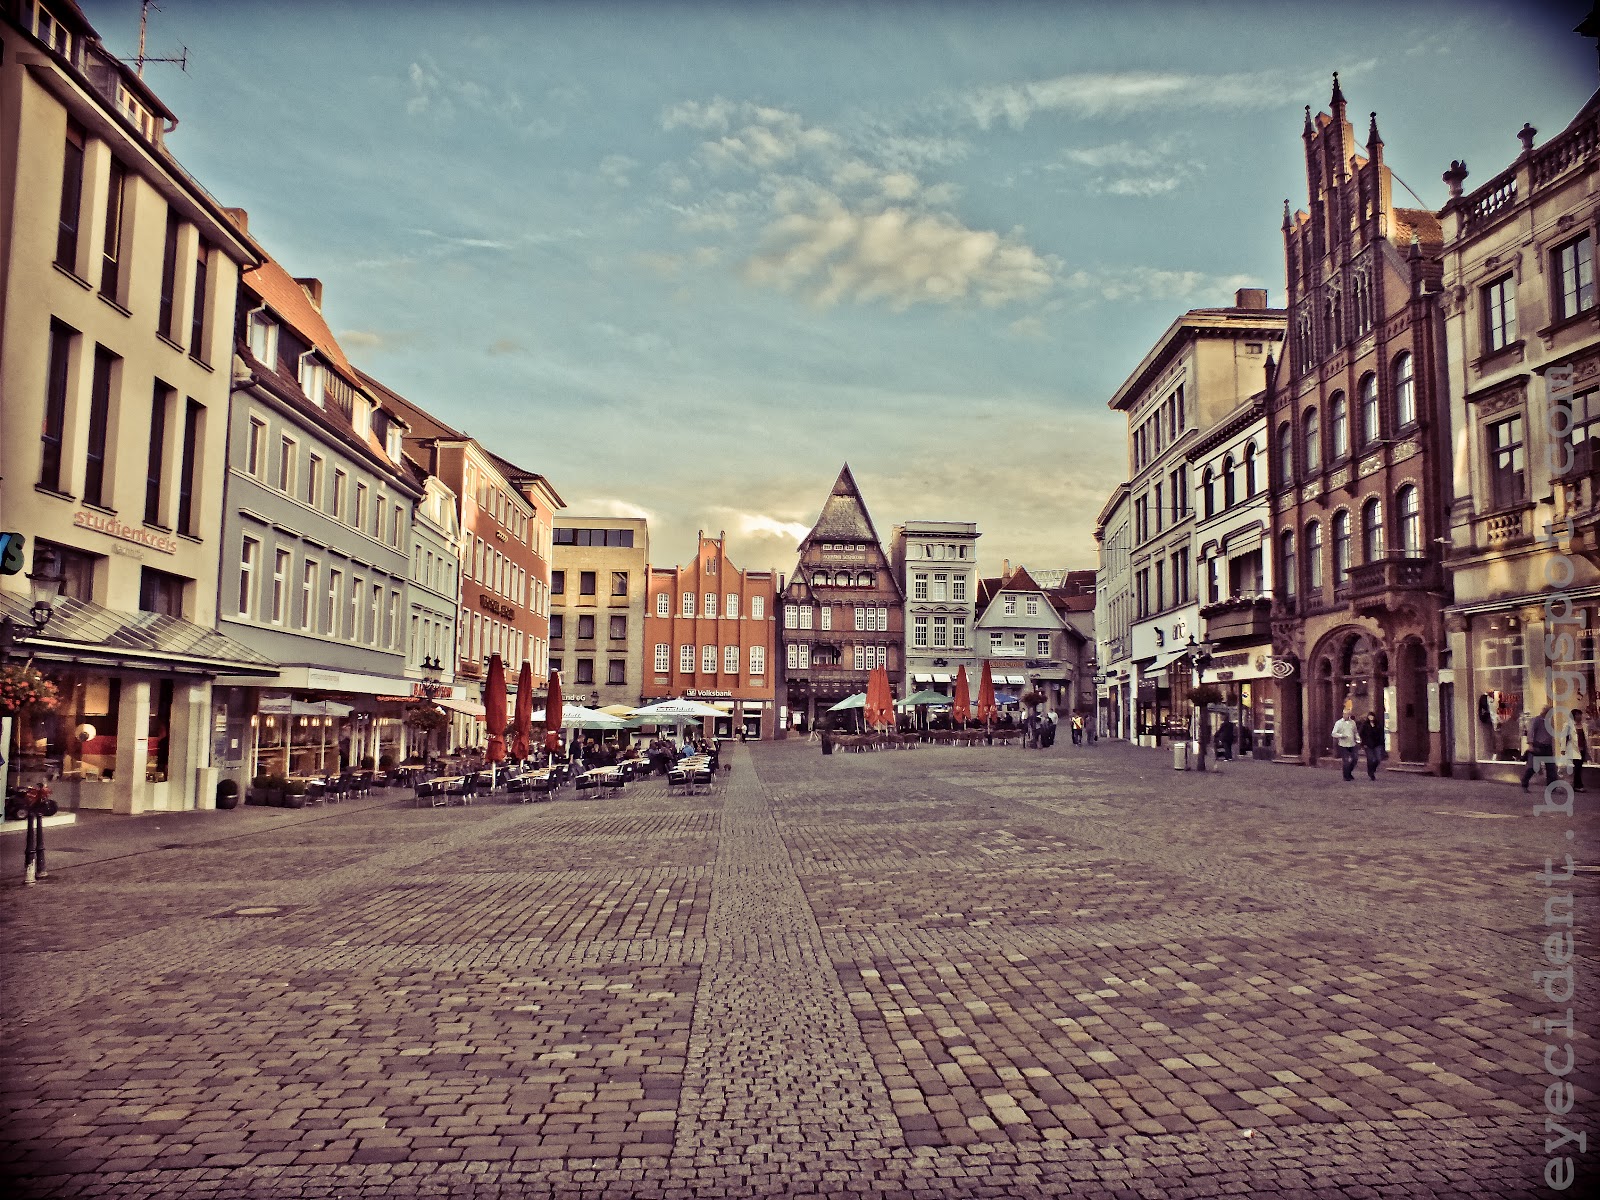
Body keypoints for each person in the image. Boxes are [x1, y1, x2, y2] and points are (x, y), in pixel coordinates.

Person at [1522, 704, 1557, 792]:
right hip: (1538, 746)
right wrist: (1530, 745)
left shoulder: (1549, 721)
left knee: (1551, 768)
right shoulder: (1536, 720)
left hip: (1547, 747)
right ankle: (1524, 783)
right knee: (1533, 767)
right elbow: (1531, 732)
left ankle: (1552, 787)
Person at [1331, 709, 1360, 781]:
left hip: (1352, 744)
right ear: (1343, 714)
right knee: (1346, 761)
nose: (1347, 715)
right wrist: (1341, 735)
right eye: (1345, 714)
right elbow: (1333, 733)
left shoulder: (1352, 722)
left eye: (1348, 714)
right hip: (1343, 744)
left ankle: (1349, 772)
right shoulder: (1339, 723)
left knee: (1355, 759)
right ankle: (1346, 776)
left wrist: (1358, 738)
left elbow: (1355, 732)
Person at [1358, 711, 1384, 780]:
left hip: (1377, 744)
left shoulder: (1378, 724)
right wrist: (1363, 743)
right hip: (1368, 745)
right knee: (1370, 759)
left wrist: (1381, 742)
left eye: (1372, 716)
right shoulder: (1365, 725)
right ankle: (1370, 773)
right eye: (1369, 716)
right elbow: (1361, 734)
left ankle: (1373, 769)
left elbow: (1381, 733)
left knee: (1378, 759)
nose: (1371, 718)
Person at [1572, 710, 1588, 793]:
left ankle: (1577, 784)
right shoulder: (1569, 726)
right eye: (1578, 715)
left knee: (1579, 767)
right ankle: (1578, 785)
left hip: (1583, 749)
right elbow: (1564, 738)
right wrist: (1563, 749)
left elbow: (1586, 737)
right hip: (1575, 750)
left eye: (1580, 715)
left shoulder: (1584, 726)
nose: (1580, 717)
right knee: (1577, 767)